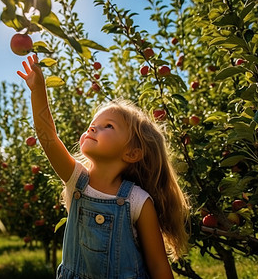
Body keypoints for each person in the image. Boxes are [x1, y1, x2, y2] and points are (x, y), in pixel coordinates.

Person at [17, 54, 190, 279]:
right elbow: (48, 137)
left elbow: (158, 266)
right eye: (92, 125)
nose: (92, 129)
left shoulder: (138, 201)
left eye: (107, 126)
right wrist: (38, 90)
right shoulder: (76, 181)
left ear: (132, 153)